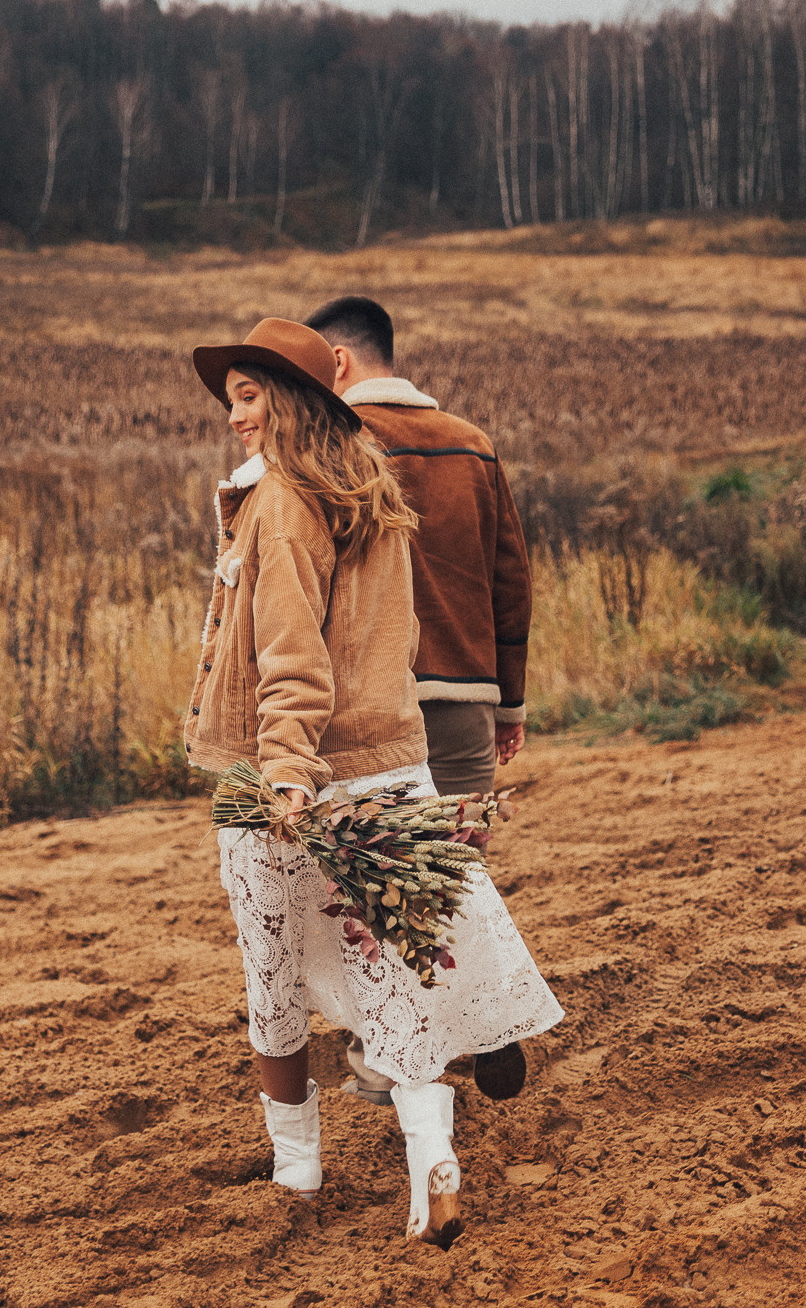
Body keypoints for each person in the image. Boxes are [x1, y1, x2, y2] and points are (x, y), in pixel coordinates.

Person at [184, 317, 563, 1248]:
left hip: (289, 780)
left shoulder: (280, 503)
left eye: (246, 395)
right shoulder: (372, 493)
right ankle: (433, 1159)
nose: (234, 416)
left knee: (272, 978)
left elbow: (290, 657)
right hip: (394, 766)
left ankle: (295, 1167)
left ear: (292, 396)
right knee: (395, 973)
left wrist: (283, 776)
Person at [303, 295, 539, 1107]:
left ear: (337, 363)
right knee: (457, 863)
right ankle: (489, 1014)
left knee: (376, 873)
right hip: (469, 692)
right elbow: (511, 578)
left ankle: (390, 1043)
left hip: (375, 704)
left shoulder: (333, 445)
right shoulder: (473, 446)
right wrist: (508, 701)